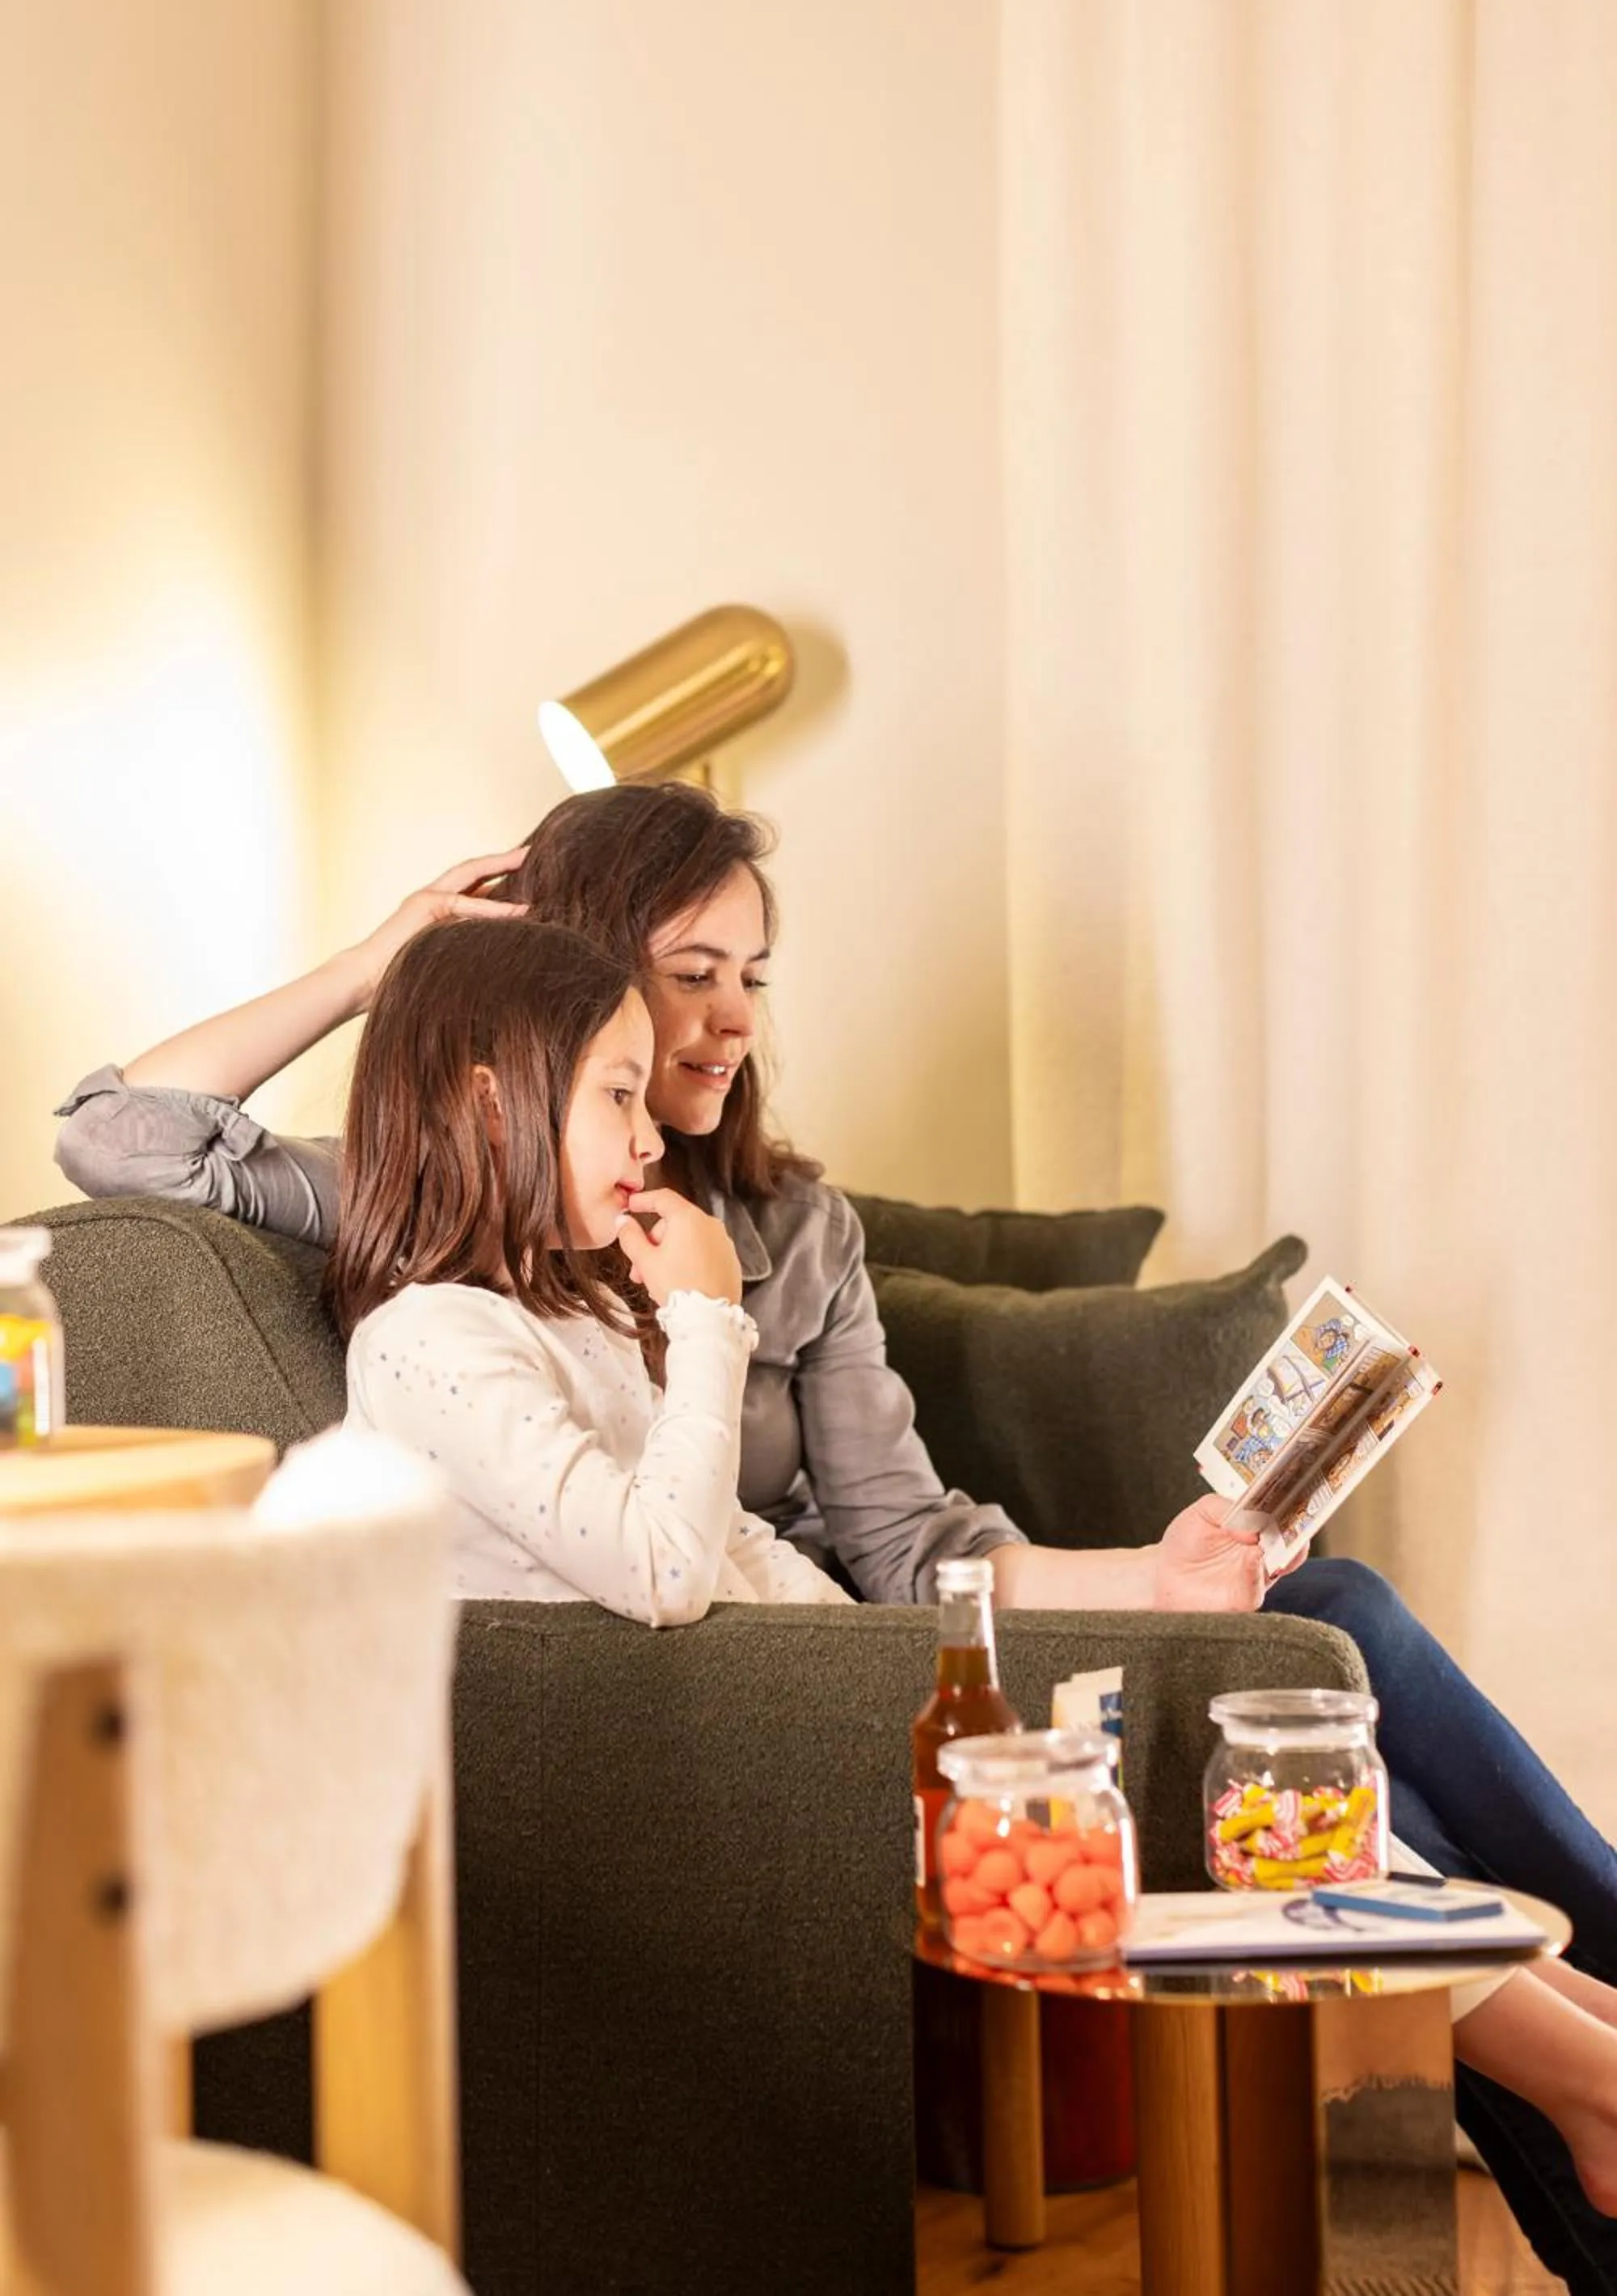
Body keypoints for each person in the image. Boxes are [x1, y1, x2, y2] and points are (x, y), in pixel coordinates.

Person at [51, 783, 1617, 2284]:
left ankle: (1590, 2042)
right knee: (1267, 1693)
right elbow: (123, 1140)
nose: (734, 1018)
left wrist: (1156, 1572)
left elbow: (902, 1536)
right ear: (570, 997)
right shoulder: (474, 1237)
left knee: (1304, 1636)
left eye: (752, 976)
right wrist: (394, 962)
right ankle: (1590, 2073)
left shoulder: (780, 1235)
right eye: (688, 978)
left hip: (851, 1620)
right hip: (779, 1675)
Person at [335, 913, 848, 1623]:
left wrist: (885, 1658)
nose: (647, 1140)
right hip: (600, 1722)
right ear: (492, 1107)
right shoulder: (426, 1343)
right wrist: (706, 1322)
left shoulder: (585, 1315)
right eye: (619, 1094)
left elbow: (730, 1538)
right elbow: (663, 1571)